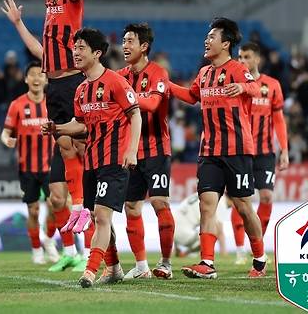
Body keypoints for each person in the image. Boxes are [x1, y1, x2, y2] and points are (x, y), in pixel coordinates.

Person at [1, 0, 102, 272]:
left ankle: (83, 205)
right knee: (63, 141)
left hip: (74, 80)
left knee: (77, 143)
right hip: (54, 87)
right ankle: (75, 233)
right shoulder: (49, 0)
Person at [169, 17, 267, 279]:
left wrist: (243, 86)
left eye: (212, 37)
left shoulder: (236, 69)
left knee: (244, 207)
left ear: (225, 43)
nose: (206, 40)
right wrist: (166, 86)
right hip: (209, 151)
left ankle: (259, 257)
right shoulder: (204, 73)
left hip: (237, 149)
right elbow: (192, 97)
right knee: (206, 204)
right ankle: (207, 263)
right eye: (207, 36)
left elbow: (257, 86)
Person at [43, 28, 142, 288]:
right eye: (74, 48)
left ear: (97, 53)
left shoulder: (116, 82)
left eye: (81, 48)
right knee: (100, 217)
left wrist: (132, 150)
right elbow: (81, 125)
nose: (75, 52)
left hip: (115, 160)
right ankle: (114, 268)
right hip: (92, 162)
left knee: (100, 216)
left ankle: (89, 270)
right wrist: (59, 129)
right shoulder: (81, 90)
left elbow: (135, 114)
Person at [115, 23, 175, 280]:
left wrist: (124, 95)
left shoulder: (158, 73)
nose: (125, 46)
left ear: (144, 46)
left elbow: (151, 104)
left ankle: (165, 263)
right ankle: (141, 267)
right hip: (131, 151)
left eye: (130, 41)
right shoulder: (119, 76)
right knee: (131, 207)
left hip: (157, 149)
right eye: (124, 41)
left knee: (160, 202)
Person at [231, 42, 289, 264]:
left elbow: (279, 119)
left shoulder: (272, 85)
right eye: (240, 57)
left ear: (257, 60)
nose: (242, 61)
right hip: (240, 151)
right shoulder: (234, 84)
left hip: (264, 152)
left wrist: (284, 149)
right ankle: (239, 250)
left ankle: (259, 245)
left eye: (246, 57)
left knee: (266, 196)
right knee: (240, 200)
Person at [1, 61, 59, 265]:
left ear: (45, 79)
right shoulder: (17, 105)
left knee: (54, 205)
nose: (36, 78)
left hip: (51, 165)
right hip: (27, 167)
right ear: (26, 79)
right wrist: (7, 140)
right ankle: (36, 249)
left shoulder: (52, 104)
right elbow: (6, 132)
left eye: (40, 75)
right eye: (32, 75)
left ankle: (50, 241)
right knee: (33, 210)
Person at [174, 193, 228, 257]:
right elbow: (220, 232)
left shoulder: (208, 193)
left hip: (172, 228)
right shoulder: (220, 202)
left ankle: (180, 252)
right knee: (210, 234)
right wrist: (223, 253)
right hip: (184, 233)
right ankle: (186, 253)